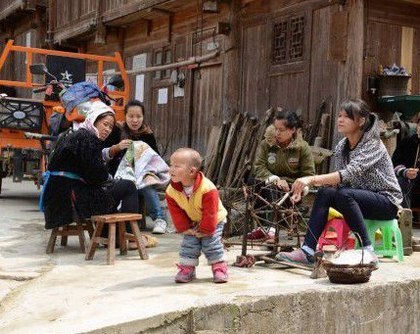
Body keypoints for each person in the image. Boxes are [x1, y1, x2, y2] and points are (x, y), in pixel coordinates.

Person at [276, 98, 403, 265]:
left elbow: (347, 174)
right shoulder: (343, 146)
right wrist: (305, 189)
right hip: (357, 199)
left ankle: (368, 251)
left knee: (343, 194)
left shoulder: (373, 145)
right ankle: (307, 250)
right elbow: (338, 183)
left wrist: (311, 179)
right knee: (326, 192)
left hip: (386, 202)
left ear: (361, 121)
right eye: (340, 116)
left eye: (346, 117)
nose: (340, 120)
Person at [41, 101, 139, 231]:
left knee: (108, 190)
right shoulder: (88, 138)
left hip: (57, 198)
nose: (107, 130)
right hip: (70, 199)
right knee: (128, 186)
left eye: (110, 127)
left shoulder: (73, 134)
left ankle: (107, 234)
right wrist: (108, 176)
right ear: (93, 120)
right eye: (105, 124)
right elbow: (98, 176)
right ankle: (129, 236)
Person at [247, 109, 315, 239]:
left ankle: (271, 227)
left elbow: (308, 174)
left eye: (281, 130)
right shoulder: (267, 144)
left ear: (292, 130)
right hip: (269, 184)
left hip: (290, 190)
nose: (277, 133)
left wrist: (298, 188)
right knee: (253, 182)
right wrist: (275, 179)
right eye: (275, 129)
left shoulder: (302, 147)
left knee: (275, 190)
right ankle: (263, 226)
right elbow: (259, 166)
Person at [103, 100, 168, 234]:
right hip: (120, 176)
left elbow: (154, 157)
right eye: (131, 116)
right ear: (125, 116)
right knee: (131, 184)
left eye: (138, 116)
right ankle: (127, 223)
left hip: (141, 175)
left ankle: (159, 219)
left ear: (143, 117)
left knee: (146, 183)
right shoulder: (116, 131)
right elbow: (105, 153)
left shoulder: (147, 134)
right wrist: (117, 147)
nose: (135, 120)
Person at [165, 148, 228, 283]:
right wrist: (185, 228)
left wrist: (205, 231)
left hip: (214, 220)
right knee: (189, 243)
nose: (171, 169)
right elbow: (176, 211)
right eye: (171, 165)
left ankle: (219, 267)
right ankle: (187, 269)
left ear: (192, 171)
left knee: (211, 243)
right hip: (193, 220)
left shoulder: (207, 188)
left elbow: (210, 212)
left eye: (176, 166)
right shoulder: (171, 191)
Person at [392, 118, 420, 208]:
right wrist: (405, 172)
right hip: (408, 183)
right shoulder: (407, 142)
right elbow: (395, 163)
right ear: (417, 127)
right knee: (400, 182)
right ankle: (405, 216)